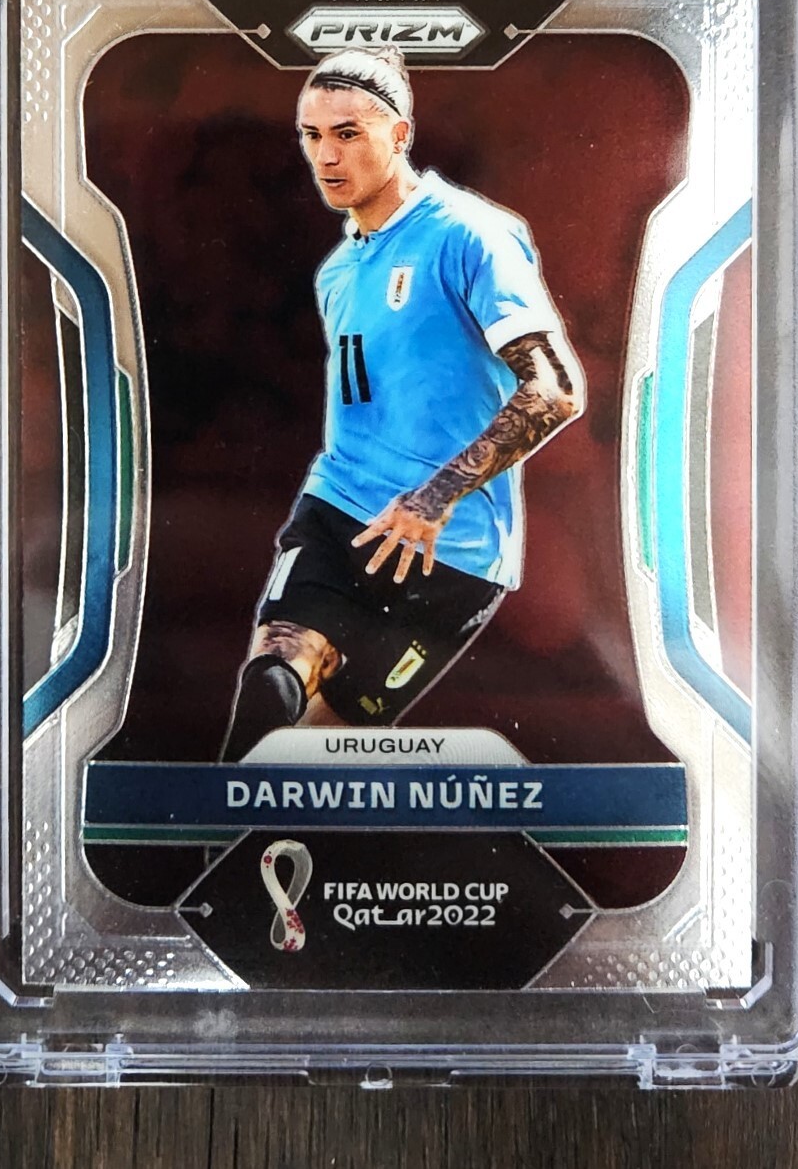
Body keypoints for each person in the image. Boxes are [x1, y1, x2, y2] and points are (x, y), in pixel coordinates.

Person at [220, 46, 585, 759]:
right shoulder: (337, 270)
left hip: (450, 553)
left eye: (348, 133)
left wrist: (434, 496)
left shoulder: (468, 235)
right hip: (338, 510)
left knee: (320, 755)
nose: (326, 155)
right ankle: (214, 827)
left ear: (400, 134)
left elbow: (554, 387)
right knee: (274, 676)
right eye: (312, 135)